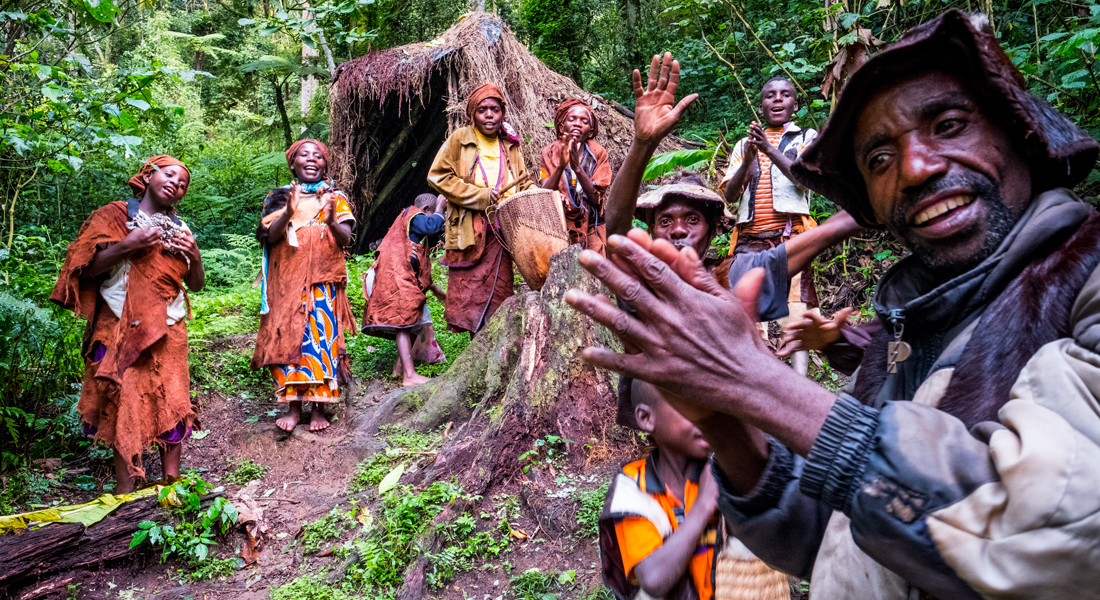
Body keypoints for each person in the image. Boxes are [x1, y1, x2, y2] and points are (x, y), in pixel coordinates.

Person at [566, 11, 1100, 599]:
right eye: (879, 161)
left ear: (1020, 127)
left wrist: (756, 382)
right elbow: (833, 526)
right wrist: (722, 417)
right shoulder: (909, 327)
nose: (916, 168)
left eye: (949, 125)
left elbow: (1056, 527)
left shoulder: (1085, 276)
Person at [602, 52, 861, 326]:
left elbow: (797, 248)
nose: (678, 229)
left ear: (714, 229)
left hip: (788, 229)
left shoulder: (728, 276)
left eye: (692, 219)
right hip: (751, 233)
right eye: (666, 220)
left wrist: (866, 203)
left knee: (797, 303)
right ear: (651, 230)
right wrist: (643, 144)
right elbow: (615, 227)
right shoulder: (641, 279)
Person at [51, 155, 204, 493]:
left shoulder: (181, 229)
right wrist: (128, 246)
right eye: (169, 174)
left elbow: (195, 284)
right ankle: (126, 489)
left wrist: (194, 255)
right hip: (119, 322)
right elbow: (85, 268)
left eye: (182, 184)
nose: (176, 184)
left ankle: (171, 483)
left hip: (169, 325)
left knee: (173, 400)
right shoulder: (116, 216)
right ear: (148, 175)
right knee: (124, 399)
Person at [251, 139, 357, 433]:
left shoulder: (336, 197)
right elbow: (271, 238)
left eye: (318, 156)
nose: (311, 160)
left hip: (323, 284)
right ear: (293, 163)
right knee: (288, 340)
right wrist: (288, 211)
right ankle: (294, 408)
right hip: (285, 283)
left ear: (325, 164)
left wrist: (331, 216)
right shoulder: (277, 197)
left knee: (321, 341)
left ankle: (320, 408)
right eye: (304, 155)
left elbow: (345, 240)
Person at [719, 76, 820, 373]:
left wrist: (768, 149)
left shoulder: (806, 138)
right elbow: (729, 195)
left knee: (797, 307)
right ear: (762, 104)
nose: (777, 99)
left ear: (795, 104)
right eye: (770, 96)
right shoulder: (743, 144)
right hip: (750, 239)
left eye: (785, 95)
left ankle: (799, 381)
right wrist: (749, 158)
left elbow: (805, 180)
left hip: (793, 237)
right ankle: (758, 380)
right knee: (749, 310)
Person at [599, 380, 723, 600]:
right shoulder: (633, 488)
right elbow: (654, 579)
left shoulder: (724, 469)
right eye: (688, 405)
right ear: (646, 418)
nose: (705, 415)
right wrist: (703, 505)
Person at [427, 83, 535, 335]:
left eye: (494, 110)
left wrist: (536, 193)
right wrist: (481, 195)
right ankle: (477, 346)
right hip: (469, 227)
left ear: (502, 113)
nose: (489, 114)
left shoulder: (510, 144)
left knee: (500, 291)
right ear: (472, 114)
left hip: (503, 229)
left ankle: (496, 347)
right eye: (482, 109)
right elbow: (437, 176)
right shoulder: (459, 139)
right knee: (471, 293)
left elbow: (523, 179)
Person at [361, 193, 448, 386]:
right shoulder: (414, 216)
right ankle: (409, 376)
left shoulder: (411, 228)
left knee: (417, 319)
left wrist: (435, 289)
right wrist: (441, 209)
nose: (439, 219)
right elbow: (432, 226)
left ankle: (399, 368)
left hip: (396, 278)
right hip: (392, 278)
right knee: (404, 322)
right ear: (426, 210)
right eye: (433, 213)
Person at [539, 98, 613, 254]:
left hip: (592, 226)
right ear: (561, 126)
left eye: (584, 121)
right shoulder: (549, 152)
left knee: (593, 273)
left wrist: (577, 168)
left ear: (591, 131)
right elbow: (544, 193)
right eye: (571, 119)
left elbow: (595, 198)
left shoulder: (598, 154)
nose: (577, 124)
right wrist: (560, 167)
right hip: (559, 228)